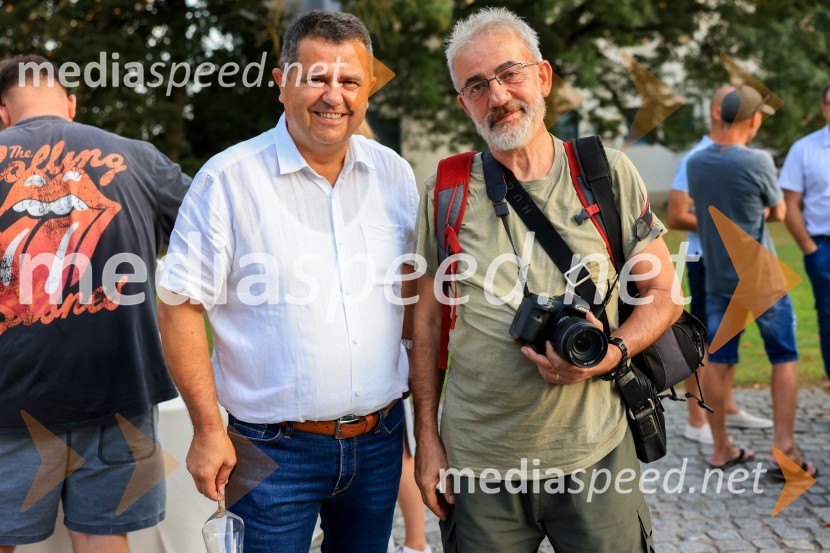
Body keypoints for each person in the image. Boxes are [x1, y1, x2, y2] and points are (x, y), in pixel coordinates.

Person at [410, 8, 681, 552]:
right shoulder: (446, 188)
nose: (499, 95)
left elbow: (665, 296)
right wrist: (428, 442)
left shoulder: (604, 172)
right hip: (479, 464)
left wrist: (613, 352)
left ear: (543, 77)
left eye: (511, 73)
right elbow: (424, 325)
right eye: (477, 85)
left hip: (594, 453)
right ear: (464, 103)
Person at [157, 10, 419, 553]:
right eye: (317, 78)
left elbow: (411, 293)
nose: (334, 95)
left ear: (367, 88)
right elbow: (179, 306)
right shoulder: (228, 179)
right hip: (271, 450)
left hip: (379, 441)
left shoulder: (393, 174)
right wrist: (207, 429)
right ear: (282, 84)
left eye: (349, 81)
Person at [0, 55, 190, 552]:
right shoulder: (138, 157)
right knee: (102, 536)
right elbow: (209, 238)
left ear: (2, 112)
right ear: (71, 103)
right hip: (119, 389)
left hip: (8, 396)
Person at [687, 85, 817, 475]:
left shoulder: (695, 163)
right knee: (784, 355)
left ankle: (721, 448)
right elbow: (778, 211)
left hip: (719, 279)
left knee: (719, 360)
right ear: (754, 120)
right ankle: (786, 449)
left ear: (721, 116)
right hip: (761, 276)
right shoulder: (757, 160)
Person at [667, 86, 772, 445]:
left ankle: (726, 407)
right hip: (705, 259)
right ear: (717, 112)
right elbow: (677, 214)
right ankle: (696, 420)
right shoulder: (695, 156)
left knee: (729, 339)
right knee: (704, 340)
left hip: (738, 262)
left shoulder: (743, 156)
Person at [779, 84, 830, 381]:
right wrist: (810, 248)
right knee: (828, 321)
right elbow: (791, 204)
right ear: (824, 107)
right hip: (823, 249)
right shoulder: (804, 149)